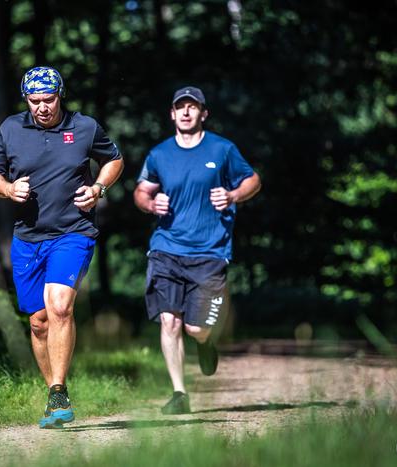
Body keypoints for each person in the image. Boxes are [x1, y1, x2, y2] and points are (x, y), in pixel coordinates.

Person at [0, 66, 124, 428]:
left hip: (73, 232)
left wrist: (98, 190)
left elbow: (115, 160)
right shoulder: (11, 130)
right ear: (26, 100)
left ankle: (59, 389)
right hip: (28, 238)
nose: (42, 107)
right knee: (39, 322)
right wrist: (8, 189)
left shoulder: (85, 127)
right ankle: (54, 397)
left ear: (61, 95)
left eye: (49, 99)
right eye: (34, 101)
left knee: (59, 307)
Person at [134, 86, 261, 414]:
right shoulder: (159, 154)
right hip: (166, 249)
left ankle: (205, 343)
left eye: (193, 107)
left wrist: (233, 196)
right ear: (172, 114)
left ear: (203, 113)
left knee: (196, 327)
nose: (187, 112)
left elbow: (253, 181)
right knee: (169, 321)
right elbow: (141, 191)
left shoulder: (222, 149)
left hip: (210, 251)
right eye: (181, 107)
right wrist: (151, 203)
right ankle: (179, 394)